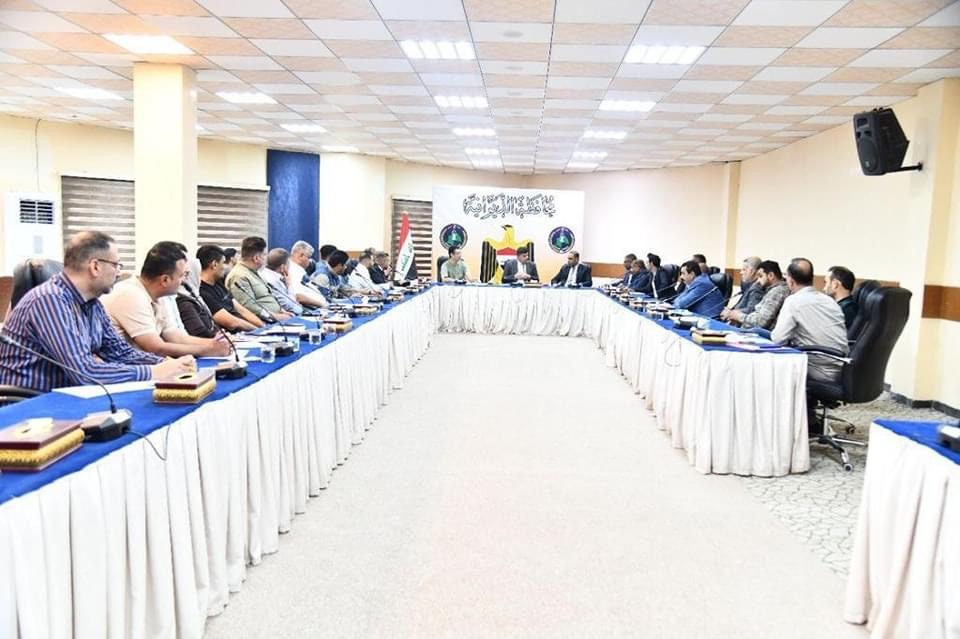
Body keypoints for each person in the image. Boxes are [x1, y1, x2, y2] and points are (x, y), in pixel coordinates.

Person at [0, 231, 193, 391]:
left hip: (62, 400)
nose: (119, 273)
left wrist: (167, 363)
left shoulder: (93, 304)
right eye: (116, 265)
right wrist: (153, 372)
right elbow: (84, 372)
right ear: (95, 267)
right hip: (28, 406)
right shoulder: (49, 300)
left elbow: (121, 353)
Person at [102, 242, 232, 358]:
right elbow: (156, 348)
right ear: (165, 280)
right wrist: (209, 350)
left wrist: (215, 343)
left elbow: (175, 337)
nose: (184, 281)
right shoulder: (131, 295)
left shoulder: (159, 296)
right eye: (182, 275)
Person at [772, 258, 850, 435]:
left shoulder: (793, 301)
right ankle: (809, 419)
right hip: (841, 366)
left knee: (777, 370)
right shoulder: (829, 300)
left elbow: (778, 339)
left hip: (820, 368)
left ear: (790, 281)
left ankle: (799, 424)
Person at [195, 245, 262, 331]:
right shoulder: (202, 291)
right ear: (214, 264)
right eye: (223, 262)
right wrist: (257, 330)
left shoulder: (218, 283)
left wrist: (263, 327)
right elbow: (231, 322)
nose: (226, 266)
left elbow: (241, 310)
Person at [225, 236, 291, 322]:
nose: (266, 258)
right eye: (264, 254)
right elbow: (249, 307)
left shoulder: (253, 272)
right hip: (265, 323)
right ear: (256, 258)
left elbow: (268, 296)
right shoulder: (239, 276)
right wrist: (276, 316)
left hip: (277, 318)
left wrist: (282, 311)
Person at [722, 260, 789, 330]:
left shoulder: (777, 292)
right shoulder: (774, 290)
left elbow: (761, 322)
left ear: (771, 275)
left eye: (760, 276)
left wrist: (738, 316)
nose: (758, 281)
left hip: (759, 333)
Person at [176, 256, 220, 338]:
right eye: (199, 274)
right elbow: (199, 332)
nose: (200, 278)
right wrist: (219, 339)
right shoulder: (185, 303)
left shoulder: (195, 296)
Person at [260, 248, 305, 315]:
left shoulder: (266, 274)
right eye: (288, 264)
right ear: (282, 267)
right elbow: (291, 307)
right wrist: (289, 285)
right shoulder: (273, 281)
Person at [288, 240, 329, 308]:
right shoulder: (293, 270)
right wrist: (321, 304)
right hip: (311, 309)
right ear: (301, 255)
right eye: (309, 257)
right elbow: (298, 296)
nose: (310, 261)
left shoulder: (298, 269)